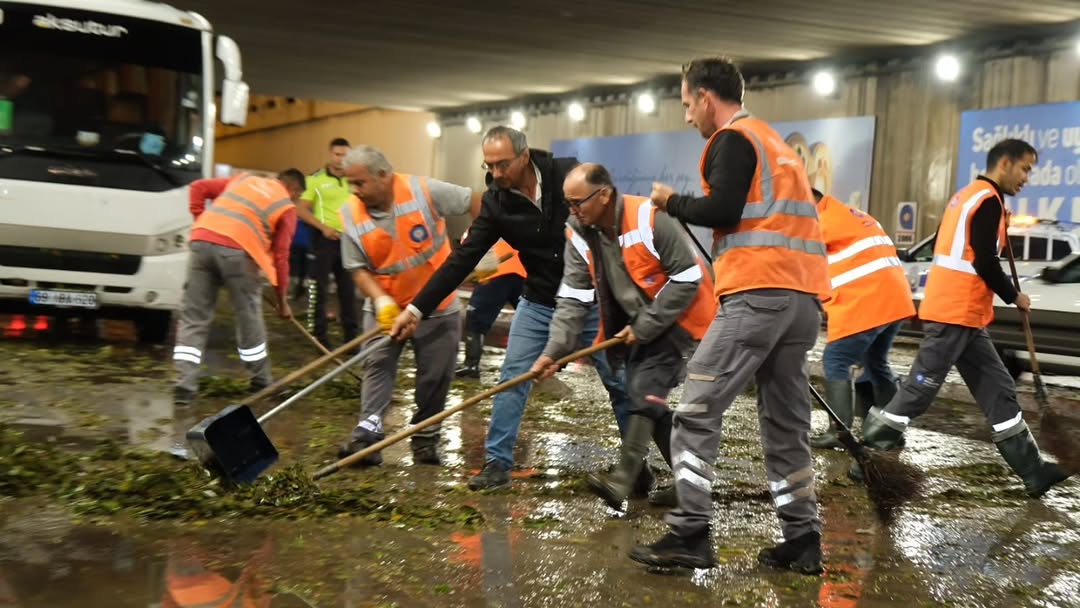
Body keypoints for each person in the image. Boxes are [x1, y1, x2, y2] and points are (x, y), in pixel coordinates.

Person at [630, 57, 830, 574]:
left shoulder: (733, 139)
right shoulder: (777, 144)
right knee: (786, 423)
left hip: (758, 294)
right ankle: (802, 538)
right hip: (801, 302)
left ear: (704, 97)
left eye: (686, 104)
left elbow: (723, 211)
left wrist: (671, 201)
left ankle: (690, 533)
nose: (687, 117)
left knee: (695, 410)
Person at [391, 126, 634, 492]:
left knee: (619, 384)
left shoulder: (565, 174)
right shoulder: (497, 202)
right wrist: (416, 309)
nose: (496, 173)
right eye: (489, 165)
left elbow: (608, 219)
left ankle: (635, 466)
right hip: (538, 302)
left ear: (524, 156)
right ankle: (496, 464)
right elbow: (462, 260)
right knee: (511, 381)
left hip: (590, 301)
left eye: (503, 164)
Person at [858, 139, 1071, 498]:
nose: (1027, 178)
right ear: (1004, 164)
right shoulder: (987, 200)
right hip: (954, 312)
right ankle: (867, 454)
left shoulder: (967, 196)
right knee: (919, 391)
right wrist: (1013, 295)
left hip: (965, 314)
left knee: (998, 388)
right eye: (1025, 169)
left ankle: (1033, 471)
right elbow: (983, 261)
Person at [530, 163, 718, 511]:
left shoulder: (649, 217)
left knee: (643, 390)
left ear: (604, 194)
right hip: (641, 323)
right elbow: (573, 298)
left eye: (578, 203)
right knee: (647, 400)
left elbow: (688, 279)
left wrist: (645, 326)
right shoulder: (579, 231)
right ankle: (689, 484)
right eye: (568, 204)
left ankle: (623, 479)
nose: (572, 211)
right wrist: (554, 350)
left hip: (681, 317)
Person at [335, 145, 480, 466]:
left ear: (383, 176)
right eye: (350, 184)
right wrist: (381, 300)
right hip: (386, 309)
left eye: (359, 183)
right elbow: (356, 268)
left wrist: (481, 243)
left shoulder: (423, 191)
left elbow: (477, 201)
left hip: (437, 306)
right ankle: (367, 438)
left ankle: (425, 439)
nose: (354, 191)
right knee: (376, 367)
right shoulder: (350, 213)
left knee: (435, 376)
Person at [172, 169, 304, 406]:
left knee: (194, 317)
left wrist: (201, 220)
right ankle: (261, 380)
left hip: (202, 241)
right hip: (240, 254)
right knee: (248, 318)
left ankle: (184, 386)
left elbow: (198, 187)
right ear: (294, 190)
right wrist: (282, 301)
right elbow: (282, 257)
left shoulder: (243, 179)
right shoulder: (286, 206)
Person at [809, 188, 915, 449]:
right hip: (895, 298)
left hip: (867, 299)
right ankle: (890, 430)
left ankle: (839, 431)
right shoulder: (850, 214)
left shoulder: (818, 222)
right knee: (875, 361)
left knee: (836, 359)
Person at [294, 137, 358, 348]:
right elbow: (300, 209)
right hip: (323, 241)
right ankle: (318, 335)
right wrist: (324, 228)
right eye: (337, 154)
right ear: (330, 154)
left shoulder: (354, 180)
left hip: (348, 241)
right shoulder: (315, 180)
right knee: (318, 289)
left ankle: (351, 339)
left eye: (345, 155)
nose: (341, 159)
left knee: (347, 291)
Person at [456, 231, 526, 379]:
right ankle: (537, 364)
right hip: (522, 275)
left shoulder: (473, 230)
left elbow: (465, 259)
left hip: (495, 275)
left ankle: (471, 366)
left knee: (475, 318)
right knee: (530, 320)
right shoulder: (509, 221)